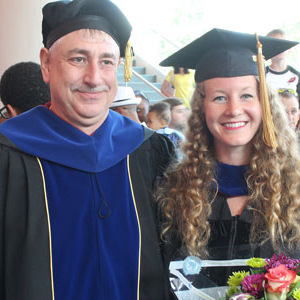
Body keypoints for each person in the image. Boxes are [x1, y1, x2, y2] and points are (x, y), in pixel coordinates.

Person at [0, 0, 175, 299]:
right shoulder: (8, 152)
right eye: (78, 59)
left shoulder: (149, 151)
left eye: (106, 61)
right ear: (46, 63)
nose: (94, 78)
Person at [158, 28, 300, 291]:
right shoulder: (174, 192)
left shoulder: (294, 189)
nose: (234, 109)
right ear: (202, 108)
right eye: (219, 97)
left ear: (264, 104)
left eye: (246, 95)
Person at [266, 29, 300, 96]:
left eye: (282, 45)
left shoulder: (296, 75)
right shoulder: (261, 75)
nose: (278, 49)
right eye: (273, 46)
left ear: (289, 49)